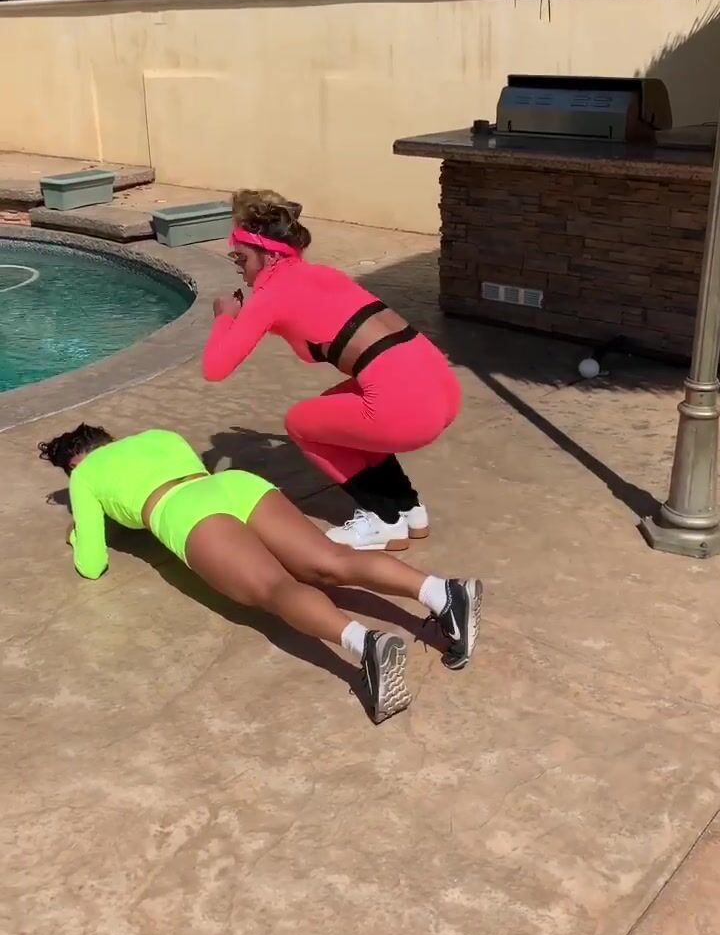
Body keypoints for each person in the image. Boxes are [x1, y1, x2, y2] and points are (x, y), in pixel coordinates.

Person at [38, 423, 482, 724]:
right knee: (330, 559)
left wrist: (78, 534)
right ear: (108, 438)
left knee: (276, 588)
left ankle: (367, 645)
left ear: (73, 462)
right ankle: (442, 592)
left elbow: (92, 565)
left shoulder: (85, 475)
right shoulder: (159, 436)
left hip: (183, 510)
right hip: (234, 485)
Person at [202, 189, 462, 551]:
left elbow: (214, 368)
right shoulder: (323, 275)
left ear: (269, 255)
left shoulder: (270, 297)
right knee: (338, 412)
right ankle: (408, 507)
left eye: (240, 257)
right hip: (443, 388)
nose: (238, 266)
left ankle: (383, 520)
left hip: (410, 412)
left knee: (300, 423)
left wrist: (225, 317)